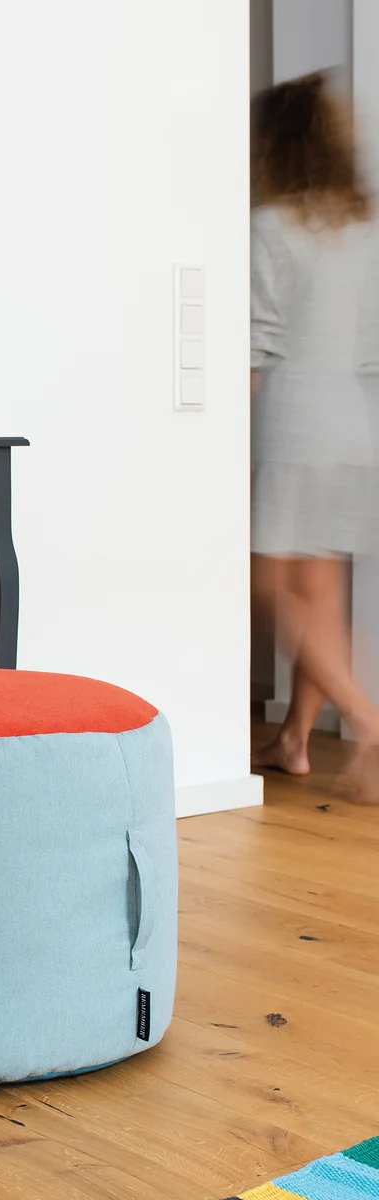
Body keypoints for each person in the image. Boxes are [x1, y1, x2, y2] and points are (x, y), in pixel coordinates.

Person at [250, 72, 379, 798]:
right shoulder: (364, 228)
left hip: (294, 414)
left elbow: (258, 338)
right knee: (319, 590)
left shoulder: (271, 224)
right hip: (352, 418)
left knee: (271, 580)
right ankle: (295, 741)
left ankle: (368, 719)